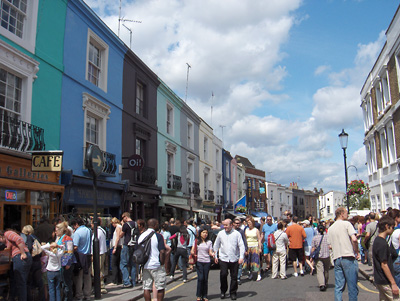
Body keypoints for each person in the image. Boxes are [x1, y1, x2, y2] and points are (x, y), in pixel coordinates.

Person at [327, 207, 359, 301]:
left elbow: (330, 246)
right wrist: (356, 251)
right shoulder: (347, 224)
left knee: (339, 287)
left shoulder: (330, 228)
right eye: (346, 213)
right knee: (352, 286)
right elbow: (354, 239)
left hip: (337, 258)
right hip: (348, 256)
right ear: (341, 214)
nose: (347, 215)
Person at [213, 219, 245, 300]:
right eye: (224, 225)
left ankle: (233, 292)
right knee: (223, 274)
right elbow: (216, 245)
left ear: (231, 225)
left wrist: (241, 257)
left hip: (234, 258)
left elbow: (241, 246)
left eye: (226, 225)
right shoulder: (221, 233)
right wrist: (215, 256)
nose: (225, 227)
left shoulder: (237, 234)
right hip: (223, 258)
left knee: (234, 277)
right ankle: (223, 291)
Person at [0, 229, 32, 301]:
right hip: (22, 257)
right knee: (23, 282)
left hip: (20, 257)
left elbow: (19, 239)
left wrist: (22, 253)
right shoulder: (7, 242)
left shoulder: (7, 233)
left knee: (21, 283)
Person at [372, 215, 399, 300]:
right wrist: (393, 283)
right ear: (387, 226)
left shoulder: (377, 240)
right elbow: (384, 265)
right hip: (385, 280)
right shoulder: (382, 243)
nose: (393, 229)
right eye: (392, 227)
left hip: (379, 279)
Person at [139, 218, 166, 301]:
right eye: (157, 224)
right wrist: (162, 262)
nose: (158, 225)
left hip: (145, 265)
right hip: (156, 265)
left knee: (146, 288)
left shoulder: (141, 235)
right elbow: (162, 251)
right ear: (154, 225)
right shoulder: (158, 236)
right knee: (160, 287)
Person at [21, 225, 45, 301]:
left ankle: (29, 299)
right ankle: (42, 298)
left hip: (31, 262)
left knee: (28, 282)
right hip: (37, 261)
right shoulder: (36, 237)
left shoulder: (27, 238)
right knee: (40, 282)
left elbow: (29, 249)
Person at [71, 217, 92, 301]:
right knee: (87, 276)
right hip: (88, 255)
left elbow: (75, 246)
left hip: (79, 256)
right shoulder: (89, 230)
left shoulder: (77, 232)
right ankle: (88, 295)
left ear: (76, 224)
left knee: (79, 277)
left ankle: (79, 295)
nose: (73, 227)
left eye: (74, 226)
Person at [192, 226, 215, 301]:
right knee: (200, 278)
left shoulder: (209, 242)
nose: (205, 234)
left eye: (206, 233)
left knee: (205, 279)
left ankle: (204, 296)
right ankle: (198, 295)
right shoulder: (196, 241)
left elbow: (210, 252)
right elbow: (192, 250)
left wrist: (213, 254)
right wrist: (193, 253)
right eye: (203, 232)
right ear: (200, 233)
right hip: (199, 261)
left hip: (207, 262)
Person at [55, 222, 76, 301]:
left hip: (66, 263)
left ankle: (68, 298)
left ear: (61, 230)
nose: (55, 232)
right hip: (61, 263)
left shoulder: (67, 238)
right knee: (64, 282)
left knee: (67, 283)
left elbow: (70, 251)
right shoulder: (60, 238)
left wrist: (68, 263)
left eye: (57, 230)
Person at [120, 212, 138, 288]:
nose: (122, 219)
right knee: (133, 264)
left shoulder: (126, 225)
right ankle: (133, 282)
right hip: (134, 245)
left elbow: (121, 235)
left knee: (123, 264)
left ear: (126, 217)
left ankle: (126, 282)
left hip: (127, 245)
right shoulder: (136, 224)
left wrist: (122, 225)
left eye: (122, 217)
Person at [310, 224, 330, 291]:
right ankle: (326, 282)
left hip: (318, 256)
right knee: (326, 270)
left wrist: (311, 256)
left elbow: (313, 248)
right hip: (327, 255)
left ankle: (322, 284)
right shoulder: (328, 237)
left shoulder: (315, 238)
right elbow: (330, 246)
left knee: (320, 270)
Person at [91, 217, 108, 294]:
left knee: (95, 270)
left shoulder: (97, 232)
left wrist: (92, 254)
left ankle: (99, 287)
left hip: (98, 253)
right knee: (100, 270)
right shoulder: (103, 231)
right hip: (102, 252)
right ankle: (101, 286)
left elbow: (93, 244)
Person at [243, 216, 262, 281]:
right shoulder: (246, 230)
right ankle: (250, 273)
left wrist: (259, 248)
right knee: (249, 261)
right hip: (248, 246)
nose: (249, 224)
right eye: (248, 223)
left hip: (255, 246)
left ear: (253, 223)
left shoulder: (256, 230)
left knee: (256, 261)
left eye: (250, 223)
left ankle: (258, 274)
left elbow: (259, 239)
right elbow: (245, 239)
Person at [233, 218, 247, 285]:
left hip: (239, 251)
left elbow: (244, 240)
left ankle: (238, 278)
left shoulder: (241, 231)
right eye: (236, 223)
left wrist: (245, 249)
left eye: (238, 223)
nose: (237, 224)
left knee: (239, 266)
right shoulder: (231, 231)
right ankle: (234, 277)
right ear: (233, 223)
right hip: (232, 251)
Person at [110, 217, 123, 285]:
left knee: (114, 263)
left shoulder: (118, 227)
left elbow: (117, 237)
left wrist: (114, 247)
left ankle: (114, 280)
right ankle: (119, 279)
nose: (112, 225)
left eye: (112, 223)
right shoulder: (120, 226)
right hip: (119, 246)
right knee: (117, 263)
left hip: (117, 246)